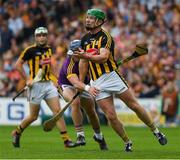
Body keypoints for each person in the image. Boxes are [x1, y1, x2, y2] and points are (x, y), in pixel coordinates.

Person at [73, 8, 167, 152]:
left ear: (99, 22)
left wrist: (85, 56)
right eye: (87, 18)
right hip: (96, 82)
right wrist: (81, 83)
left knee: (134, 105)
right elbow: (83, 63)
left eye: (91, 18)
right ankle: (127, 142)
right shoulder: (85, 39)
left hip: (112, 77)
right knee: (111, 116)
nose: (88, 20)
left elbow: (103, 57)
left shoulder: (106, 37)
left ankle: (156, 131)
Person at [11, 27, 76, 148]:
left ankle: (66, 140)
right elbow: (18, 65)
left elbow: (49, 67)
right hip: (35, 86)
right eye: (39, 35)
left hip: (48, 85)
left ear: (46, 36)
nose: (41, 37)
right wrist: (27, 79)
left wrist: (55, 79)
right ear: (36, 37)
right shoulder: (29, 50)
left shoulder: (49, 49)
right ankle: (17, 132)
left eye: (44, 35)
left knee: (57, 112)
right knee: (33, 117)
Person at [57, 40, 108, 150]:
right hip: (67, 85)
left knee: (91, 111)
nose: (74, 56)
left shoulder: (89, 59)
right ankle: (80, 135)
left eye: (77, 52)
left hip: (84, 85)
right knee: (75, 102)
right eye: (73, 53)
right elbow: (75, 83)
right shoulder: (69, 64)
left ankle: (99, 136)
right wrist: (87, 88)